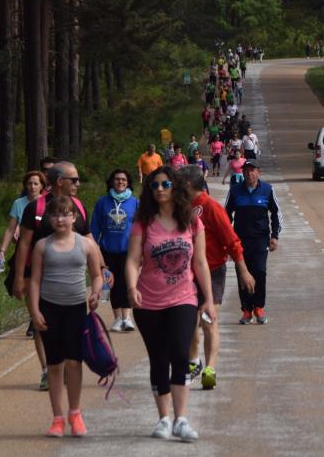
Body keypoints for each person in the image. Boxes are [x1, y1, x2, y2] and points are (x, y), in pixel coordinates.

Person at [125, 166, 216, 442]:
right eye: (155, 186)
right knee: (159, 358)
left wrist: (209, 299)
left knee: (180, 353)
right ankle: (163, 418)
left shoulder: (191, 221)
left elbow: (200, 262)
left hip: (183, 297)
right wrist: (131, 287)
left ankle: (181, 419)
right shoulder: (144, 222)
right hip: (149, 301)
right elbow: (131, 260)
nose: (161, 189)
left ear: (175, 187)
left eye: (165, 184)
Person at [14, 162, 107, 391]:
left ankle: (60, 365)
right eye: (73, 180)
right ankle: (47, 369)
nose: (78, 184)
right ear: (59, 182)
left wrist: (103, 266)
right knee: (41, 324)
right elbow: (24, 244)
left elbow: (88, 238)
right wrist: (19, 278)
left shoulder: (78, 207)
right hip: (37, 276)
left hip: (67, 278)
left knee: (67, 325)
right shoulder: (36, 208)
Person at [28, 196, 103, 438]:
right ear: (50, 219)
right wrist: (35, 310)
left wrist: (96, 293)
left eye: (65, 214)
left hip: (75, 310)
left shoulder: (86, 245)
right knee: (55, 365)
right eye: (56, 215)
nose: (60, 219)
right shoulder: (42, 246)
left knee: (74, 362)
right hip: (49, 309)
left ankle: (75, 413)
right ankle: (58, 418)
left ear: (74, 217)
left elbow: (96, 275)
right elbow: (35, 281)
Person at [180, 165, 255, 390]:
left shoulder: (211, 207)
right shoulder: (180, 208)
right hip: (185, 273)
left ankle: (210, 368)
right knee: (188, 322)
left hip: (212, 271)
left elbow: (231, 240)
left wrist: (243, 269)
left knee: (208, 320)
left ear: (188, 185)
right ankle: (194, 362)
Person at [225, 159, 282, 325]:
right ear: (242, 173)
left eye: (253, 170)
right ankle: (246, 311)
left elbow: (276, 214)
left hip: (260, 240)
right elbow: (226, 216)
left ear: (259, 172)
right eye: (246, 170)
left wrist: (275, 236)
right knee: (243, 275)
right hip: (239, 241)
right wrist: (227, 240)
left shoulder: (267, 190)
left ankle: (259, 307)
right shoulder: (235, 191)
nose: (249, 173)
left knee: (259, 271)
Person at [0, 170, 47, 339]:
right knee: (26, 285)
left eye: (36, 183)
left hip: (43, 249)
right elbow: (10, 228)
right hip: (24, 250)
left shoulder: (47, 202)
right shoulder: (19, 203)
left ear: (42, 186)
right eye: (29, 183)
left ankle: (39, 317)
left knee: (41, 284)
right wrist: (2, 251)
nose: (32, 186)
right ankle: (34, 317)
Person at [91, 169, 139, 332]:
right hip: (107, 250)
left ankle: (128, 317)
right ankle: (118, 318)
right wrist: (93, 249)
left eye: (124, 180)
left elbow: (141, 227)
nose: (120, 182)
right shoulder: (102, 202)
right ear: (112, 182)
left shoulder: (135, 203)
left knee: (126, 283)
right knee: (112, 284)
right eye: (117, 179)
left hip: (128, 250)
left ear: (128, 183)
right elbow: (95, 227)